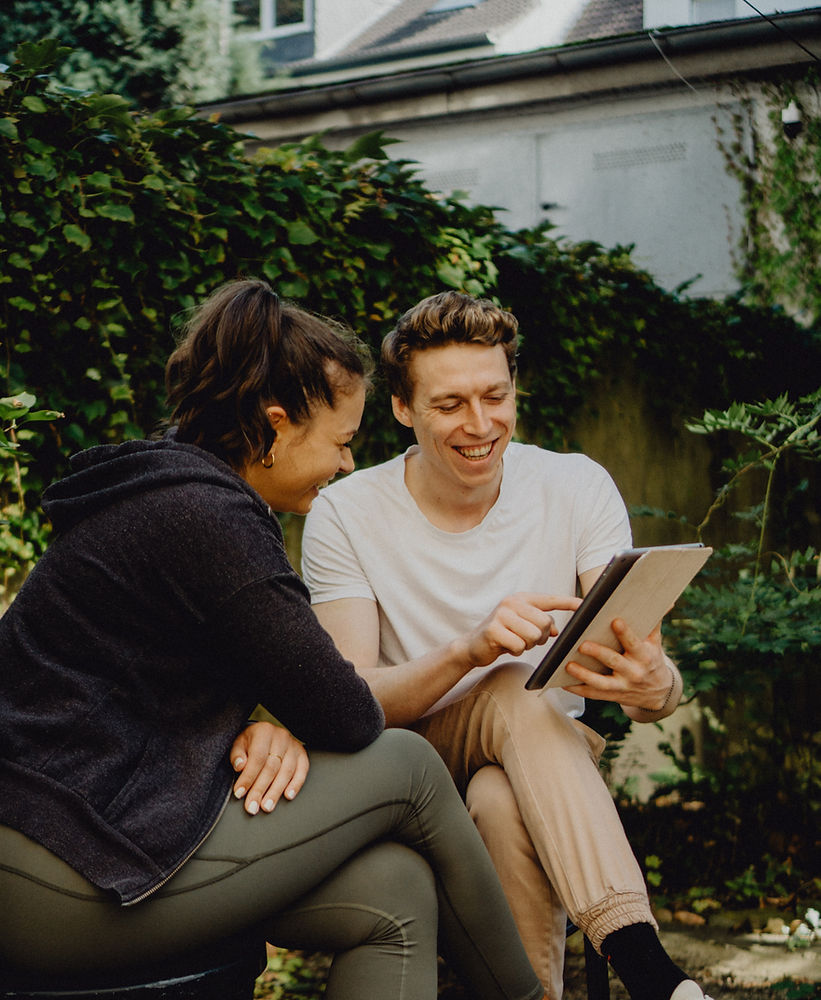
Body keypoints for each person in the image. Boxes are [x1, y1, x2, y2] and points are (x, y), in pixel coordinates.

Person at [0, 280, 548, 1000]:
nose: (347, 465)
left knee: (393, 893)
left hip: (96, 829)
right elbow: (346, 715)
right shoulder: (208, 521)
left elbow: (184, 685)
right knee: (408, 764)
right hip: (59, 872)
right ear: (277, 424)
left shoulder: (168, 493)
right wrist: (284, 722)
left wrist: (263, 724)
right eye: (341, 443)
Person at [300, 291, 713, 1000]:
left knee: (499, 792)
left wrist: (656, 686)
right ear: (402, 408)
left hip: (539, 763)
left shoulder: (574, 485)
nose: (480, 424)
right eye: (450, 404)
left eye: (495, 396)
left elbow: (644, 671)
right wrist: (470, 649)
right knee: (509, 682)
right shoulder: (347, 511)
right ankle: (648, 972)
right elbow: (352, 699)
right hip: (407, 758)